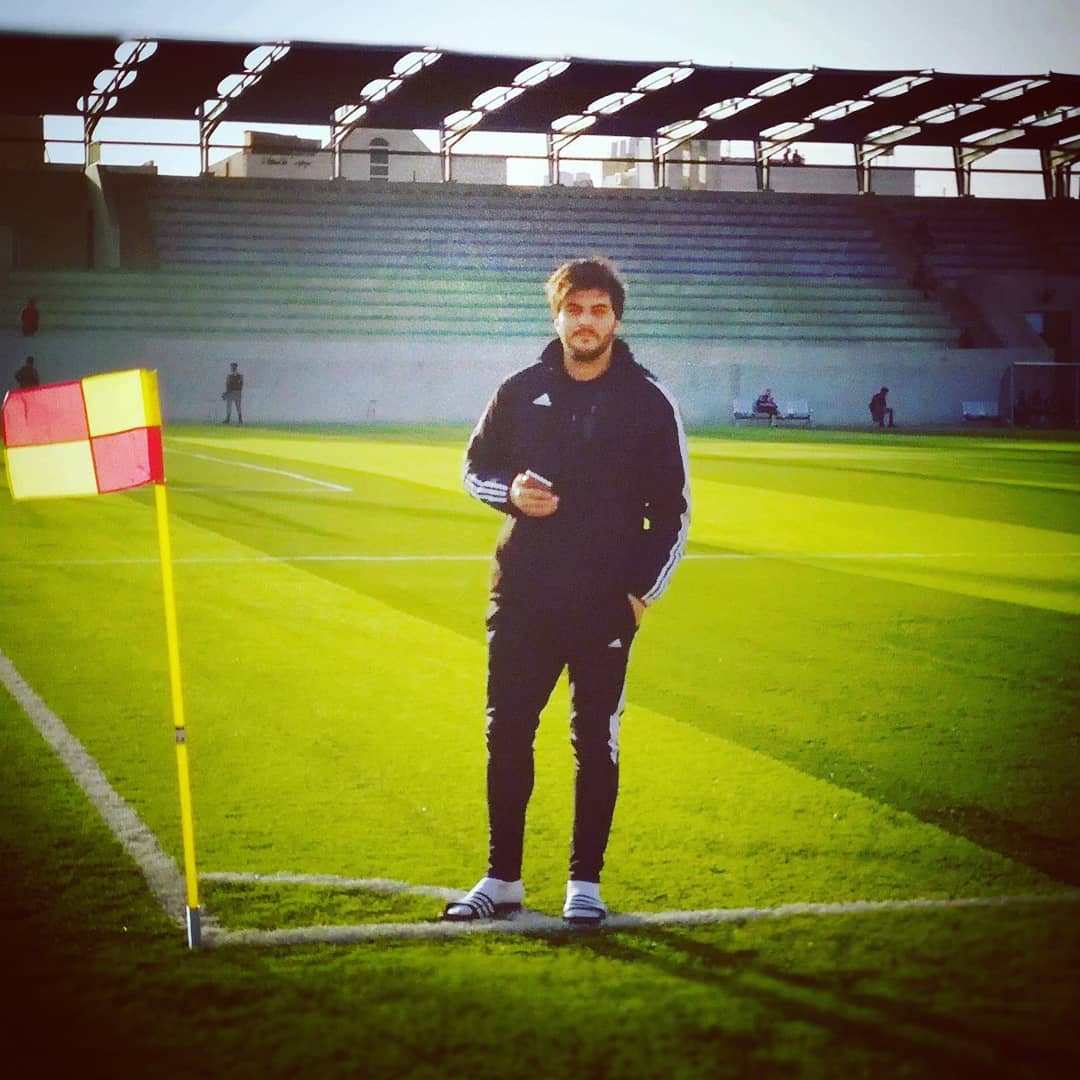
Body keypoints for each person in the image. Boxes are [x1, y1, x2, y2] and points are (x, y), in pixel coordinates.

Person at [450, 258, 690, 928]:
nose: (586, 322)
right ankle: (502, 878)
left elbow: (673, 513)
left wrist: (639, 596)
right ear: (556, 316)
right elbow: (474, 468)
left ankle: (585, 883)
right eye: (574, 309)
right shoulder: (519, 390)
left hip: (603, 605)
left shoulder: (648, 401)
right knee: (507, 733)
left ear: (615, 319)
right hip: (522, 597)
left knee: (594, 741)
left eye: (598, 310)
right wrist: (509, 492)